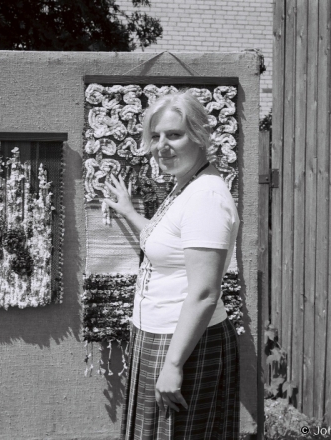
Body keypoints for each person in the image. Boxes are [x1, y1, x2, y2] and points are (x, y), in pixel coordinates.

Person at [103, 90, 240, 439]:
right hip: (161, 337)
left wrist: (174, 365)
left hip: (186, 345)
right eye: (155, 136)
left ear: (199, 136)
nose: (161, 145)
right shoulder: (186, 187)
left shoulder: (205, 196)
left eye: (174, 135)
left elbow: (206, 292)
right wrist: (131, 212)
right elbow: (167, 241)